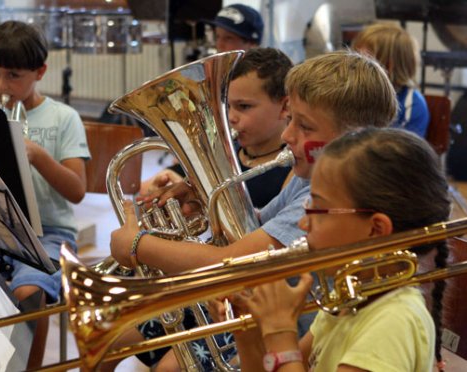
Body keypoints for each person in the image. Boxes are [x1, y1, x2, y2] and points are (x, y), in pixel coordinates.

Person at [106, 50, 397, 371]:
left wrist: (137, 245)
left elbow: (229, 262)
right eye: (291, 121)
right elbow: (254, 229)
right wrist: (207, 200)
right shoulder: (309, 183)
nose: (288, 135)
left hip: (285, 326)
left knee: (168, 367)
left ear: (353, 139)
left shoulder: (327, 202)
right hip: (273, 322)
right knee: (118, 335)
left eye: (305, 126)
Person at [235, 127, 450, 372]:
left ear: (376, 230)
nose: (304, 224)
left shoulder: (395, 321)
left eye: (317, 209)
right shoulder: (350, 297)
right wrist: (249, 333)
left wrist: (280, 332)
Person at [0, 21, 90, 304]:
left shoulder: (63, 118)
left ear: (40, 71)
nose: (0, 86)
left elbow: (77, 190)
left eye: (13, 75)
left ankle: (30, 351)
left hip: (52, 233)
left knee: (29, 291)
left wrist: (38, 156)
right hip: (1, 231)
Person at [141, 47, 294, 208]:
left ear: (284, 108)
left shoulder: (293, 170)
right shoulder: (222, 154)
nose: (230, 118)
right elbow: (145, 189)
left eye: (244, 106)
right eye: (227, 106)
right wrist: (163, 185)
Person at [352, 22, 430, 137]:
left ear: (389, 67)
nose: (352, 66)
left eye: (362, 61)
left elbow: (398, 151)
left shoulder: (412, 104)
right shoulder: (353, 93)